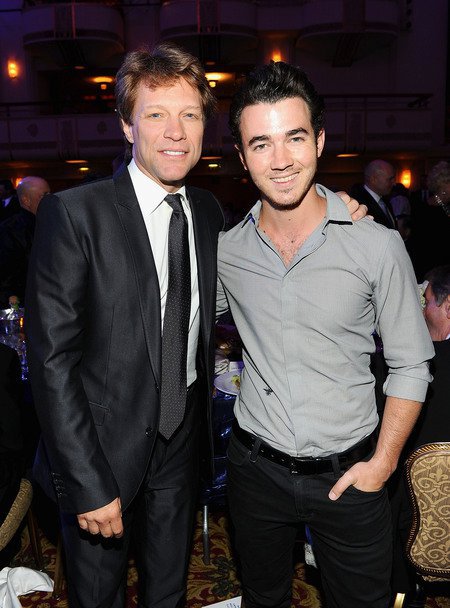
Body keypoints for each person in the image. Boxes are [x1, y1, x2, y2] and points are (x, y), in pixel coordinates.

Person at [25, 43, 365, 608]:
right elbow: (51, 364)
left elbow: (270, 244)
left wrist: (334, 207)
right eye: (155, 114)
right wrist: (87, 481)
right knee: (98, 596)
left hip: (181, 443)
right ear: (127, 126)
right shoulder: (75, 214)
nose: (175, 132)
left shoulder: (207, 211)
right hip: (101, 451)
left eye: (189, 114)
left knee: (168, 590)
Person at [216, 61, 434, 608]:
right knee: (262, 598)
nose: (280, 159)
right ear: (242, 157)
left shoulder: (376, 245)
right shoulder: (227, 252)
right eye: (260, 143)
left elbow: (411, 364)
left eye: (294, 137)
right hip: (254, 470)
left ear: (319, 139)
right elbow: (173, 314)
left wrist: (383, 463)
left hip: (353, 474)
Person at [390, 264, 450, 607]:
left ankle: (401, 597)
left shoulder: (417, 371)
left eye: (426, 301)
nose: (422, 309)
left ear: (447, 306)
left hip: (419, 522)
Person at [0, 176, 50, 308]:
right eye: (44, 195)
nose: (50, 199)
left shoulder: (53, 223)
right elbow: (7, 275)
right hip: (26, 303)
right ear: (26, 200)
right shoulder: (10, 230)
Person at [407, 161, 450, 282]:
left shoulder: (446, 207)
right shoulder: (423, 210)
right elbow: (419, 246)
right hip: (431, 271)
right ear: (443, 185)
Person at [350, 159, 398, 228]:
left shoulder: (385, 200)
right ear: (373, 179)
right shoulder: (357, 203)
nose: (394, 183)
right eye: (390, 179)